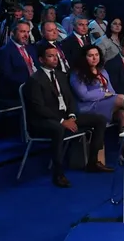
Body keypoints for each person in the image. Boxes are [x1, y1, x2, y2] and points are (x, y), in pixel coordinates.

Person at [25, 42, 113, 187]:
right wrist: (62, 121)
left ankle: (93, 162)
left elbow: (70, 99)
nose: (55, 59)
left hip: (66, 117)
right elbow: (38, 108)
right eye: (50, 56)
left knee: (99, 120)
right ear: (41, 59)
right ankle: (58, 174)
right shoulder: (34, 80)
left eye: (56, 56)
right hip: (44, 120)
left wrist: (71, 116)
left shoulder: (61, 75)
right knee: (58, 129)